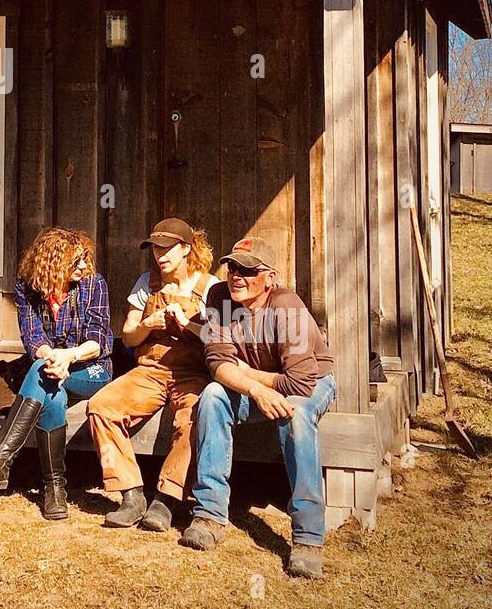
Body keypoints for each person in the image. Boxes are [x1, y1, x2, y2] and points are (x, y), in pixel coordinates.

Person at [181, 235, 336, 580]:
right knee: (212, 398)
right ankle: (209, 515)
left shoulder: (287, 306)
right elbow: (218, 364)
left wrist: (248, 374)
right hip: (260, 383)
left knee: (295, 415)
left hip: (311, 382)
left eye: (248, 270)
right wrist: (253, 386)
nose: (237, 275)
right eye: (232, 267)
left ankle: (308, 538)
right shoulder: (219, 298)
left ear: (270, 277)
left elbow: (298, 383)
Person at [0, 228, 112, 519]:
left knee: (42, 373)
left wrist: (69, 356)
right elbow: (33, 339)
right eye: (75, 261)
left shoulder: (94, 284)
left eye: (85, 260)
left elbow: (98, 340)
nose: (83, 266)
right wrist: (53, 357)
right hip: (51, 366)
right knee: (50, 389)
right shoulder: (27, 286)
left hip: (91, 368)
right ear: (53, 263)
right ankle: (55, 489)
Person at [87, 218, 217, 531]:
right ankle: (131, 493)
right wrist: (148, 324)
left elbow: (221, 338)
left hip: (193, 373)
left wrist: (186, 324)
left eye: (167, 248)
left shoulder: (210, 286)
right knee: (101, 406)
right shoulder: (147, 283)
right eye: (155, 248)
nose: (159, 255)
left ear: (186, 249)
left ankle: (167, 499)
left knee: (196, 416)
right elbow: (129, 337)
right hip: (150, 370)